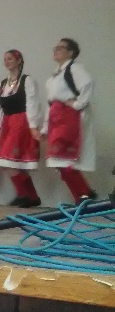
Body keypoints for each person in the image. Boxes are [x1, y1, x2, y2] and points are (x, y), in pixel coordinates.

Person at [42, 38, 97, 204]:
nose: (56, 50)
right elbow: (50, 103)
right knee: (58, 161)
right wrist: (45, 128)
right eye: (56, 47)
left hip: (69, 119)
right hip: (57, 119)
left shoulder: (75, 69)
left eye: (61, 48)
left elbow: (88, 84)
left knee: (66, 161)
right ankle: (81, 196)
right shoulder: (56, 74)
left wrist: (77, 104)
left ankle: (84, 195)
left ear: (71, 52)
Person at [0, 50, 42, 207]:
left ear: (19, 61)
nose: (7, 61)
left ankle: (23, 194)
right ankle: (32, 197)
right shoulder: (2, 84)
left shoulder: (27, 80)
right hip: (8, 123)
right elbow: (0, 108)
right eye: (5, 59)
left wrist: (33, 126)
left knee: (8, 162)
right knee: (16, 163)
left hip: (22, 122)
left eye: (10, 59)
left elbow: (32, 104)